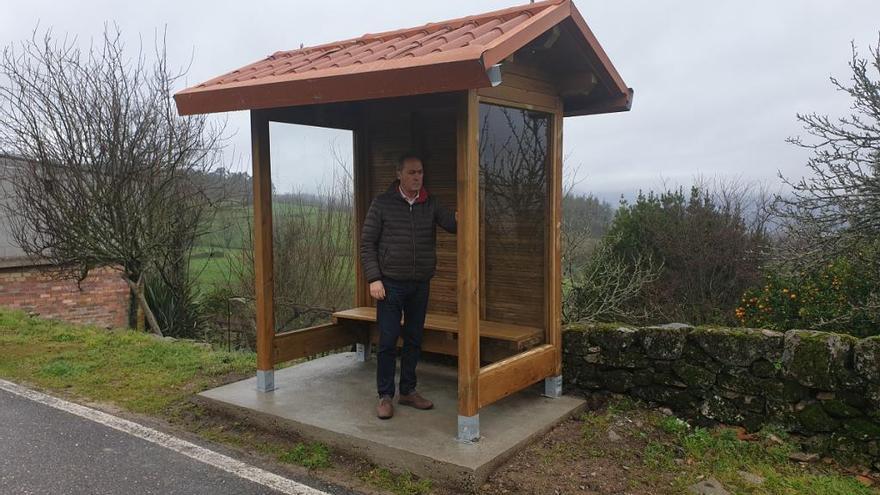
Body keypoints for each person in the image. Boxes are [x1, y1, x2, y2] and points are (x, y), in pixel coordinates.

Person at [359, 153, 457, 419]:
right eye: (412, 173)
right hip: (389, 284)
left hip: (419, 284)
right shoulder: (382, 204)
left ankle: (408, 391)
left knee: (414, 339)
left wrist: (470, 209)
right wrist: (374, 278)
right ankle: (385, 396)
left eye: (420, 172)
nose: (417, 177)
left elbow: (454, 224)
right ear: (399, 174)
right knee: (389, 341)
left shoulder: (430, 203)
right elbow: (367, 243)